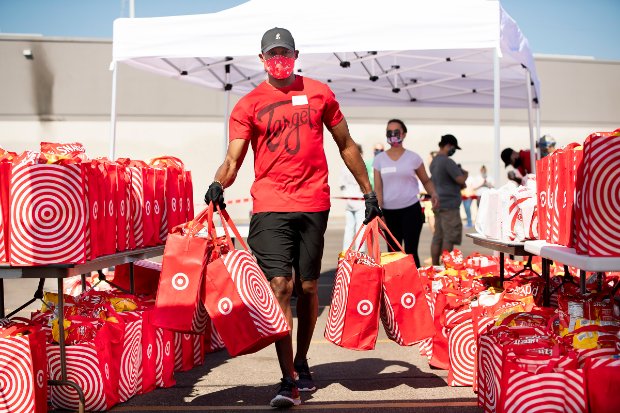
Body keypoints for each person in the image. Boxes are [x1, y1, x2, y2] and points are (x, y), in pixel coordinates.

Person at [203, 27, 381, 409]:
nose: (279, 59)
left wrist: (369, 192)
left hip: (314, 201)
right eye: (272, 54)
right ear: (262, 59)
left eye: (285, 53)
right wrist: (219, 182)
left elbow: (346, 144)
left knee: (309, 288)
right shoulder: (248, 104)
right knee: (281, 286)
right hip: (270, 204)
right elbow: (234, 158)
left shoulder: (320, 93)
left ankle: (301, 359)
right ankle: (288, 381)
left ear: (296, 55)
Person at [373, 119, 439, 268]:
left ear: (404, 134)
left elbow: (426, 180)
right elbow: (378, 188)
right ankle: (394, 287)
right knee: (393, 253)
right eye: (389, 132)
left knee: (410, 252)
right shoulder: (379, 160)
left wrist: (434, 194)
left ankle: (414, 287)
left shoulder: (413, 158)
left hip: (411, 210)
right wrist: (378, 212)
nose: (392, 135)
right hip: (389, 214)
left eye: (396, 132)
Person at [429, 134, 467, 266]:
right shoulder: (447, 162)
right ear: (449, 146)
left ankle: (435, 266)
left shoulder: (434, 161)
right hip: (449, 206)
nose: (453, 151)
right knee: (449, 238)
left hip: (438, 204)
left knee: (437, 237)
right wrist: (465, 173)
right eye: (454, 148)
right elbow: (460, 180)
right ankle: (446, 266)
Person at [340, 143, 367, 252]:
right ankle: (359, 251)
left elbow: (342, 185)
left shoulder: (345, 166)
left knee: (350, 228)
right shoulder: (361, 166)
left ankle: (347, 252)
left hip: (351, 200)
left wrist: (346, 196)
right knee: (359, 228)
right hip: (358, 200)